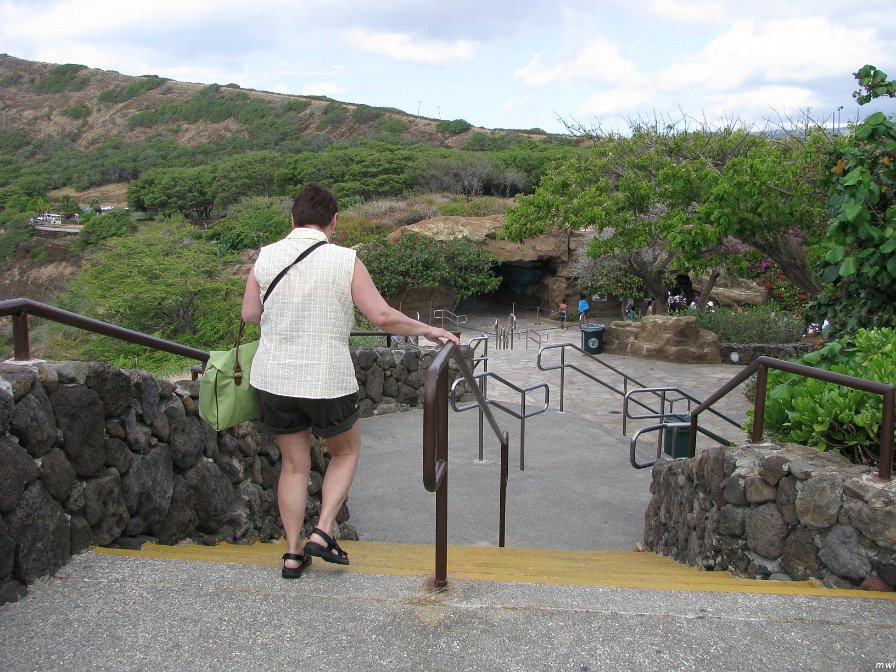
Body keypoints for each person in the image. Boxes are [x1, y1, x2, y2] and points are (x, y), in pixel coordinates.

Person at [241, 184, 460, 579]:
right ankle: (323, 531)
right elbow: (381, 316)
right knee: (344, 451)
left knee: (294, 465)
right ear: (334, 221)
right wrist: (428, 330)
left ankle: (292, 555)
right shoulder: (345, 260)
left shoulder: (266, 256)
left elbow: (250, 314)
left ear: (291, 220)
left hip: (273, 378)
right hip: (325, 378)